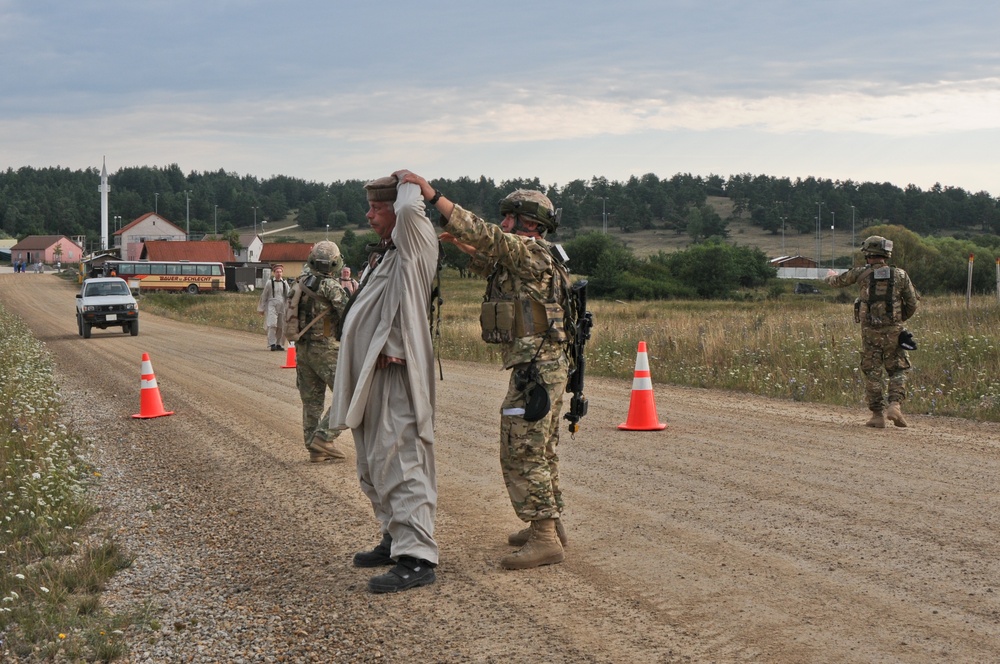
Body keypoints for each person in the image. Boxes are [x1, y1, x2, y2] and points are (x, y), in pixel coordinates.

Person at [399, 171, 571, 571]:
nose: (503, 224)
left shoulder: (530, 252)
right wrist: (457, 242)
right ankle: (548, 525)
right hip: (542, 367)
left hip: (538, 369)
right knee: (541, 446)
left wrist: (433, 196)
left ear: (529, 223)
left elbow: (489, 238)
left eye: (509, 217)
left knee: (521, 446)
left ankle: (545, 537)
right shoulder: (531, 256)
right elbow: (489, 261)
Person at [330, 172, 439, 593]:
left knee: (402, 460)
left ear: (398, 209)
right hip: (372, 377)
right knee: (373, 462)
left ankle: (417, 557)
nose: (368, 214)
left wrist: (410, 181)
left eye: (378, 207)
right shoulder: (388, 252)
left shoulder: (416, 240)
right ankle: (395, 537)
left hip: (397, 375)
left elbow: (412, 207)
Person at [826, 235, 919, 428]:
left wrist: (829, 276)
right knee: (899, 369)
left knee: (872, 372)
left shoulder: (860, 273)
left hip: (869, 333)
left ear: (868, 254)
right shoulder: (901, 275)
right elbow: (912, 303)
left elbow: (836, 281)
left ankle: (877, 415)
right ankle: (895, 405)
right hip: (894, 331)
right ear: (886, 254)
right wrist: (899, 321)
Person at [287, 243, 350, 463]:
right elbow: (349, 315)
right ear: (334, 262)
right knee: (349, 396)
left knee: (312, 402)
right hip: (326, 350)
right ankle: (323, 437)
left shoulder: (299, 283)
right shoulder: (331, 287)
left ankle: (314, 448)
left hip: (303, 350)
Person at [257, 264, 290, 351]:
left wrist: (290, 308)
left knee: (281, 326)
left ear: (282, 273)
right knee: (272, 324)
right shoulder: (269, 283)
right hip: (271, 305)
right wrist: (261, 308)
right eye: (277, 272)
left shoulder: (285, 283)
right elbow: (264, 296)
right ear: (274, 273)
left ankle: (279, 344)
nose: (279, 273)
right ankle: (272, 343)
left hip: (282, 306)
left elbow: (288, 296)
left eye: (280, 272)